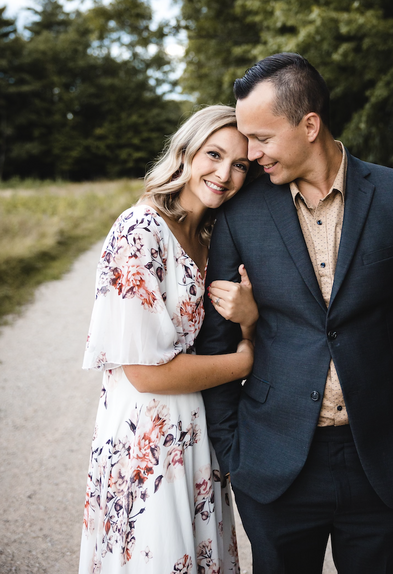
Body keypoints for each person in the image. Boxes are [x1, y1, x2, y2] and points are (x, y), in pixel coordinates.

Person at [197, 53, 393, 574]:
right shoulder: (239, 212)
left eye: (261, 138)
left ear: (309, 125)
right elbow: (216, 340)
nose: (251, 153)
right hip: (273, 465)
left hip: (386, 458)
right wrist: (234, 451)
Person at [79, 105, 258, 574]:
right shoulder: (139, 231)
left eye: (240, 164)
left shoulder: (212, 236)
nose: (225, 174)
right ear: (185, 152)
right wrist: (244, 362)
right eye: (214, 154)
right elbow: (145, 373)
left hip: (199, 428)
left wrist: (248, 320)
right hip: (147, 433)